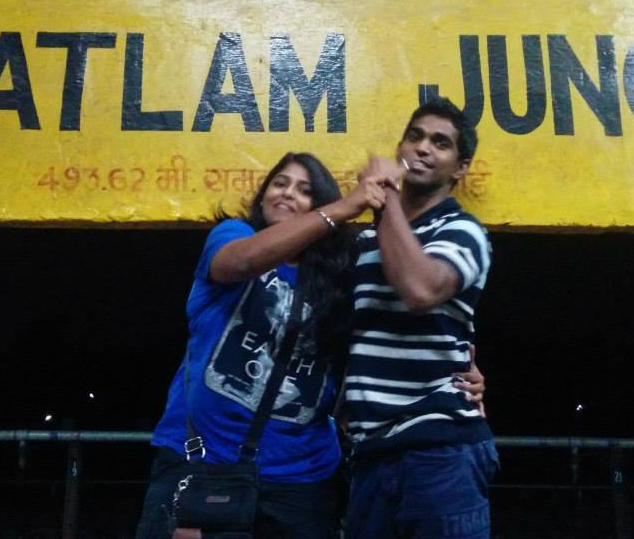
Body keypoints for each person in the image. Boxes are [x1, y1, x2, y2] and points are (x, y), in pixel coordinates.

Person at [134, 151, 487, 539]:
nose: (287, 194)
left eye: (304, 191)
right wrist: (349, 205)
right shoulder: (233, 236)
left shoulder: (342, 276)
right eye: (280, 183)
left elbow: (391, 330)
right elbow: (243, 262)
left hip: (303, 481)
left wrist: (455, 376)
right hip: (202, 462)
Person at [342, 98, 498, 539]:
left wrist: (385, 196)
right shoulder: (368, 239)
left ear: (459, 168)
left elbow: (421, 290)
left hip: (440, 450)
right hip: (370, 452)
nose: (423, 148)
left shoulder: (464, 231)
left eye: (440, 143)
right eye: (415, 136)